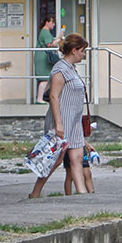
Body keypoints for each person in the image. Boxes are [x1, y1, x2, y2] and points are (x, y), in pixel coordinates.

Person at [29, 33, 90, 197]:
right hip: (62, 120)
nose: (84, 54)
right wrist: (59, 124)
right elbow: (54, 96)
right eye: (83, 51)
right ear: (74, 50)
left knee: (77, 157)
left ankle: (81, 192)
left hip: (74, 121)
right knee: (55, 159)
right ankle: (35, 192)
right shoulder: (60, 69)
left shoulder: (72, 69)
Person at [34, 17, 59, 102]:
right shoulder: (45, 32)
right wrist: (58, 40)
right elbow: (49, 44)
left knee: (49, 78)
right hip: (43, 57)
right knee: (45, 77)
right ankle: (39, 98)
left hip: (42, 56)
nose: (54, 24)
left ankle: (39, 96)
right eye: (52, 22)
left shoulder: (45, 32)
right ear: (47, 22)